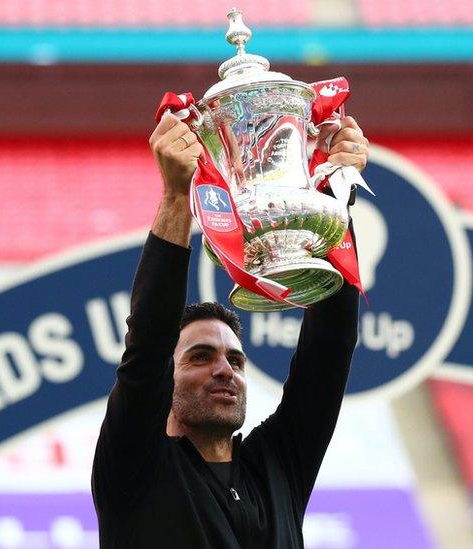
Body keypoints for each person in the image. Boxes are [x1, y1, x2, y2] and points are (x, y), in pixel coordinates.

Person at [92, 112, 369, 548]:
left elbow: (329, 349)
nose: (225, 370)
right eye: (200, 356)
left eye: (235, 360)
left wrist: (333, 195)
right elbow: (148, 344)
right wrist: (177, 197)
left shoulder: (277, 466)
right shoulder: (135, 468)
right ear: (169, 379)